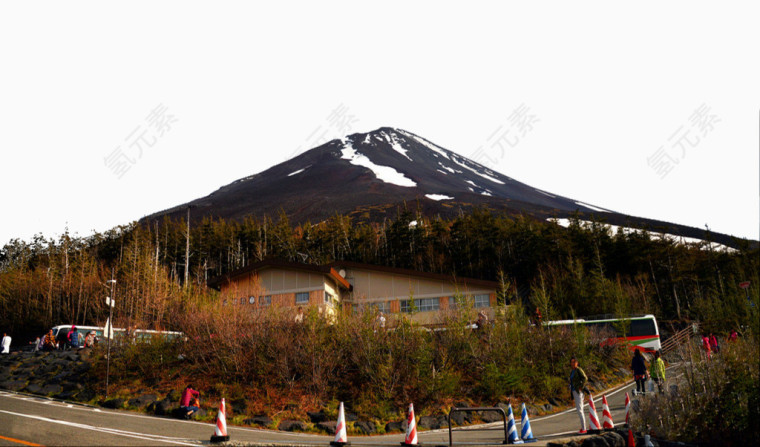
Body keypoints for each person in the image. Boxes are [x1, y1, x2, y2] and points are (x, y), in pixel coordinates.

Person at [569, 356, 588, 434]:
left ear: (577, 363)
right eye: (571, 362)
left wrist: (581, 386)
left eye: (574, 362)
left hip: (578, 391)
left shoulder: (578, 370)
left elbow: (585, 378)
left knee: (580, 410)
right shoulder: (572, 371)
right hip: (574, 391)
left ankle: (584, 428)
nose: (573, 364)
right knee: (579, 409)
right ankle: (583, 427)